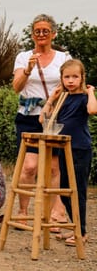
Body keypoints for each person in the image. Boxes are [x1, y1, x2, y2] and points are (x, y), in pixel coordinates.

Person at [12, 13, 71, 229]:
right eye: (37, 31)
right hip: (28, 115)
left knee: (54, 167)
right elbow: (16, 87)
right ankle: (23, 211)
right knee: (29, 166)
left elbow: (71, 81)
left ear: (53, 33)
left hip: (54, 116)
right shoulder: (23, 56)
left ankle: (51, 215)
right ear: (32, 34)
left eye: (46, 31)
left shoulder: (64, 58)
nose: (41, 34)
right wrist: (28, 69)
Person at [40, 59, 97, 246]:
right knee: (64, 190)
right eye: (67, 77)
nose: (71, 80)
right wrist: (52, 98)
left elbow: (92, 110)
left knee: (78, 190)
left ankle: (81, 232)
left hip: (79, 149)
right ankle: (75, 228)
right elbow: (43, 119)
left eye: (75, 77)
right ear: (62, 79)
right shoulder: (63, 98)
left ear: (82, 78)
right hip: (63, 148)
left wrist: (90, 92)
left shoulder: (83, 98)